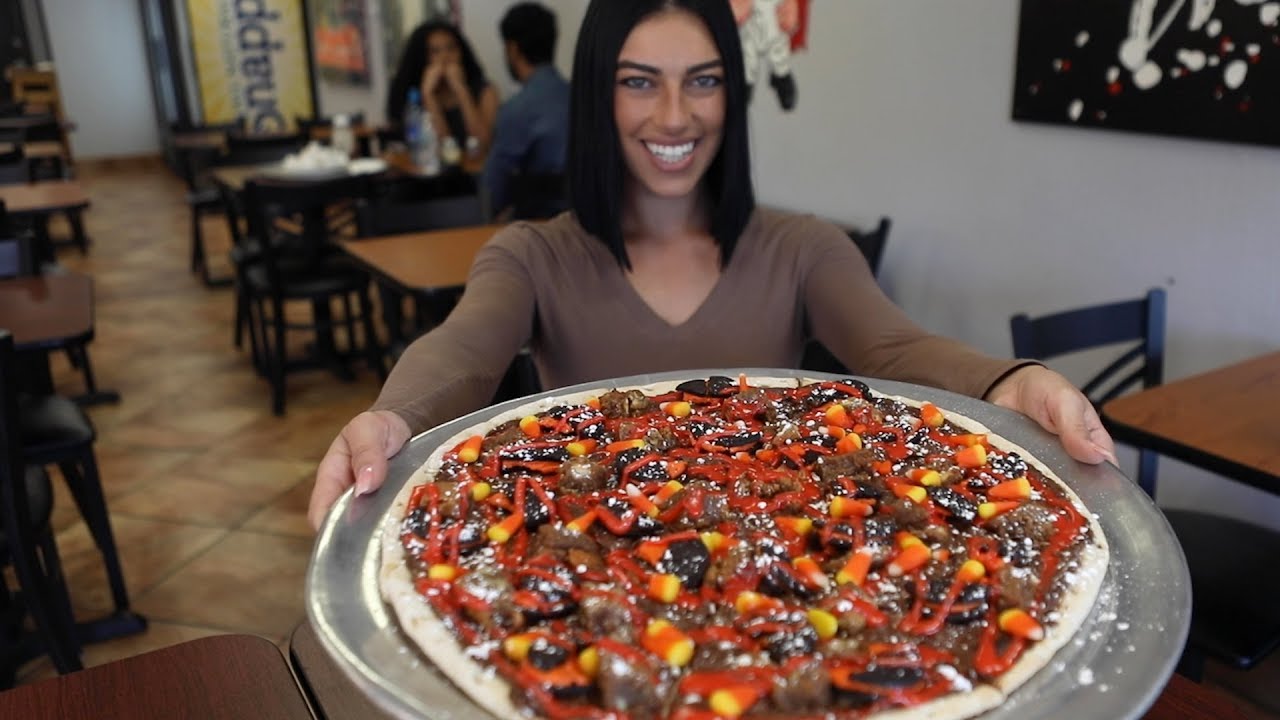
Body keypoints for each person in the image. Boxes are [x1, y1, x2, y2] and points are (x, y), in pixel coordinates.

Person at [309, 0, 1117, 529]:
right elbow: (462, 351)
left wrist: (1010, 382)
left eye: (703, 82)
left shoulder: (803, 247)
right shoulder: (532, 254)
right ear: (598, 96)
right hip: (593, 569)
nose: (674, 116)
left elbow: (896, 349)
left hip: (775, 569)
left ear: (732, 95)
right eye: (639, 84)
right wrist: (395, 418)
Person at [481, 2, 571, 217]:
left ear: (512, 49)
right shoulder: (587, 99)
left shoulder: (517, 109)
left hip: (539, 229)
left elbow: (494, 191)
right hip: (592, 226)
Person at [386, 20, 500, 155]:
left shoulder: (486, 91)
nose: (445, 57)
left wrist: (461, 90)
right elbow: (439, 151)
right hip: (435, 173)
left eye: (451, 48)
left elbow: (484, 145)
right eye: (435, 52)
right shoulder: (413, 95)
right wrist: (428, 95)